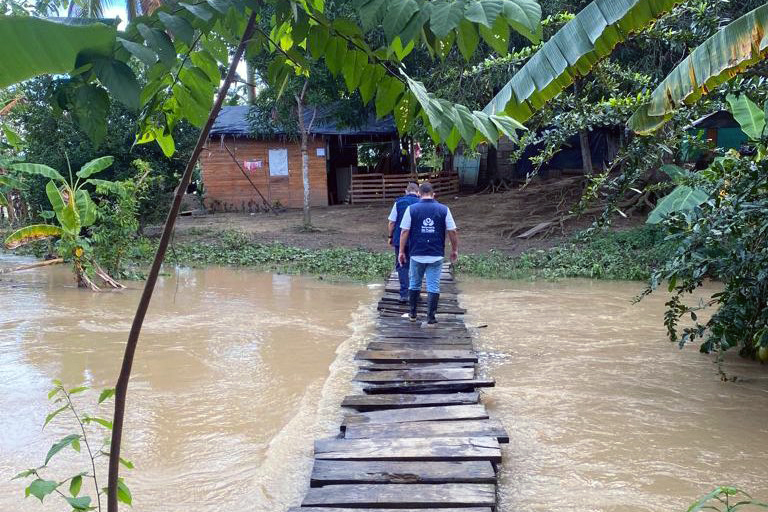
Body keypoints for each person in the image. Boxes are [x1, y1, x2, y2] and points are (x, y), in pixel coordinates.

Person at [398, 182, 458, 326]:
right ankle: (431, 318)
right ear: (433, 194)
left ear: (419, 194)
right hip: (436, 254)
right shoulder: (444, 209)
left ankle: (413, 314)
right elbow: (452, 231)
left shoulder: (411, 209)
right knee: (433, 286)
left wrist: (401, 251)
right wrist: (454, 249)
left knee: (414, 284)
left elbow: (404, 231)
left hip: (416, 254)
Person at [387, 182, 420, 303]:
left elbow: (391, 222)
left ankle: (404, 294)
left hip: (400, 239)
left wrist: (390, 236)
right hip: (417, 240)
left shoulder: (398, 202)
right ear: (418, 192)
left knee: (402, 265)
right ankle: (415, 294)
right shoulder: (421, 203)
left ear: (406, 191)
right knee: (416, 266)